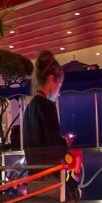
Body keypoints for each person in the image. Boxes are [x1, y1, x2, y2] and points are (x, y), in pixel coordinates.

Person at [20, 50, 71, 178]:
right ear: (51, 79)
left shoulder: (29, 107)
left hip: (33, 175)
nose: (58, 92)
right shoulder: (47, 106)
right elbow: (53, 147)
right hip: (48, 177)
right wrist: (65, 142)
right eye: (59, 85)